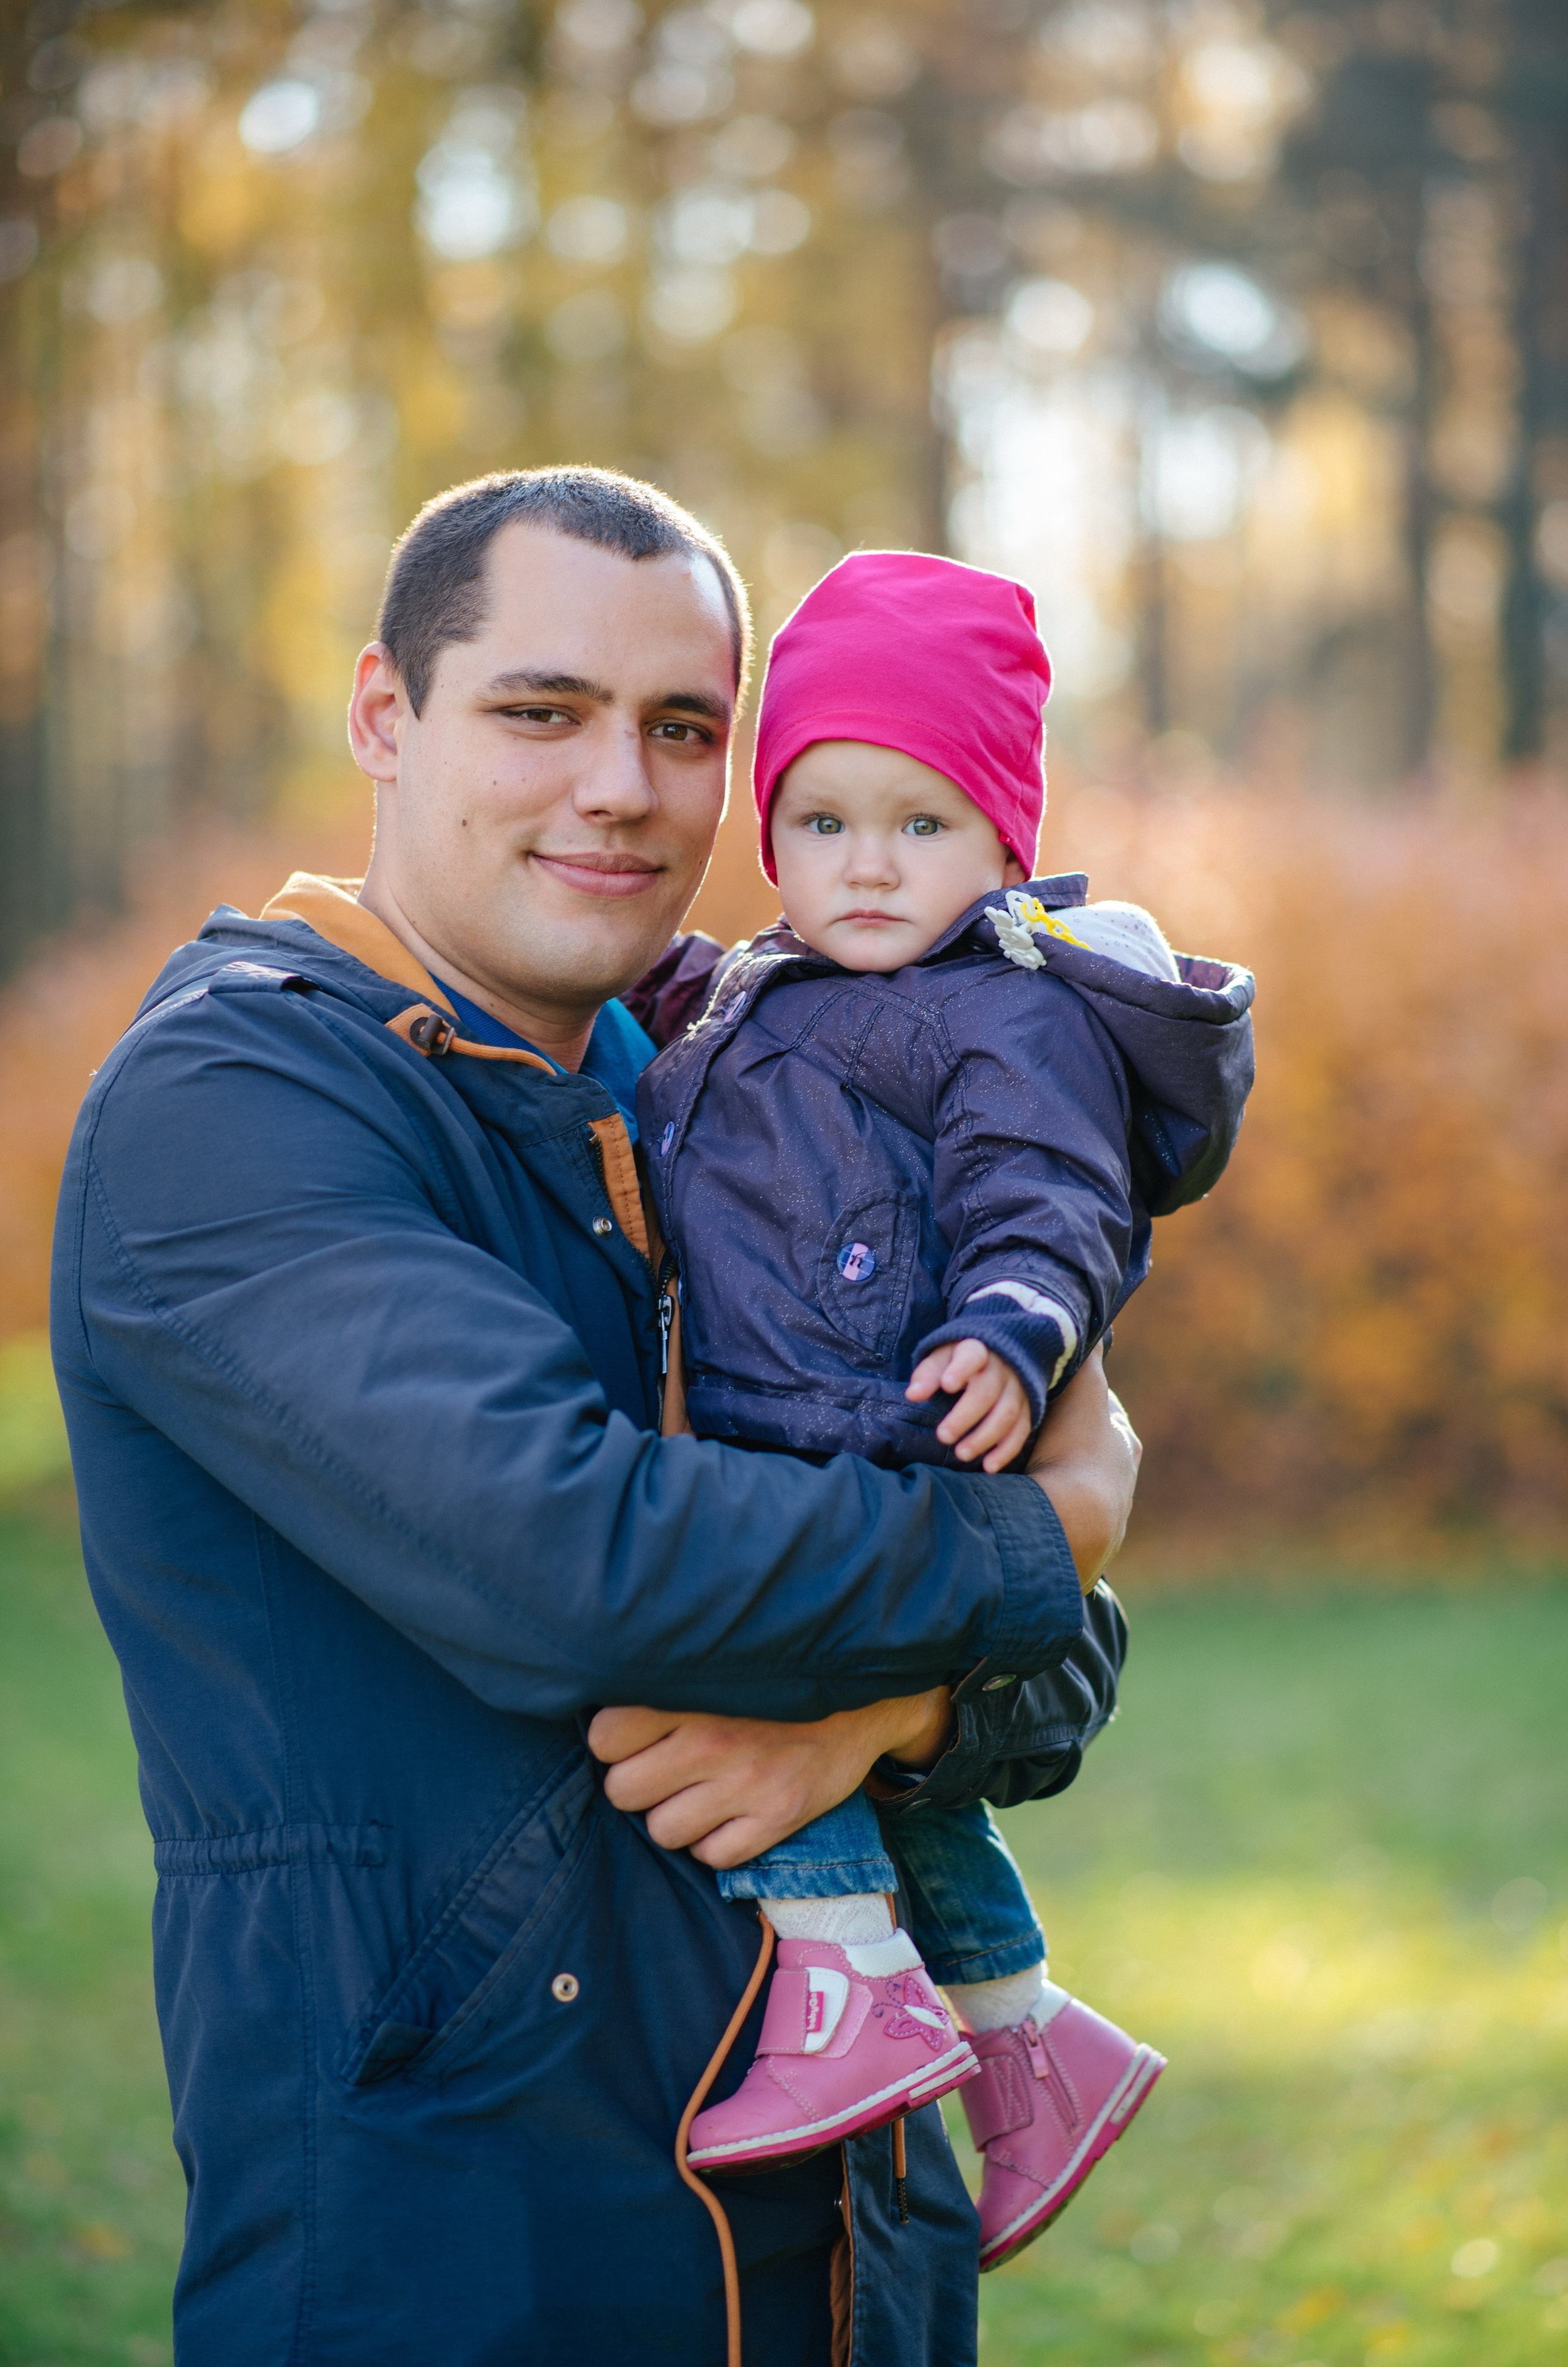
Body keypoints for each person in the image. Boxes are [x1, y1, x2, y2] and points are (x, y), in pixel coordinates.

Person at [51, 468, 1139, 2367]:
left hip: (857, 2252)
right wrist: (1056, 1520)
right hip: (471, 2253)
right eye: (541, 710)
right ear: (385, 712)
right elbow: (581, 1556)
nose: (622, 786)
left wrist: (891, 1710)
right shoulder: (232, 1106)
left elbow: (1065, 1664)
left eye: (684, 729)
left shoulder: (747, 1079)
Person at [631, 553, 1255, 2268]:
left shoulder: (1002, 1012)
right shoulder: (772, 987)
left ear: (1002, 843)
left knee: (748, 1654)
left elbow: (1051, 1194)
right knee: (917, 1784)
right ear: (775, 836)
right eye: (823, 822)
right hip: (808, 1410)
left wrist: (1015, 1329)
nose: (868, 864)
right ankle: (1027, 2033)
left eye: (921, 824)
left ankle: (848, 1980)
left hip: (878, 1422)